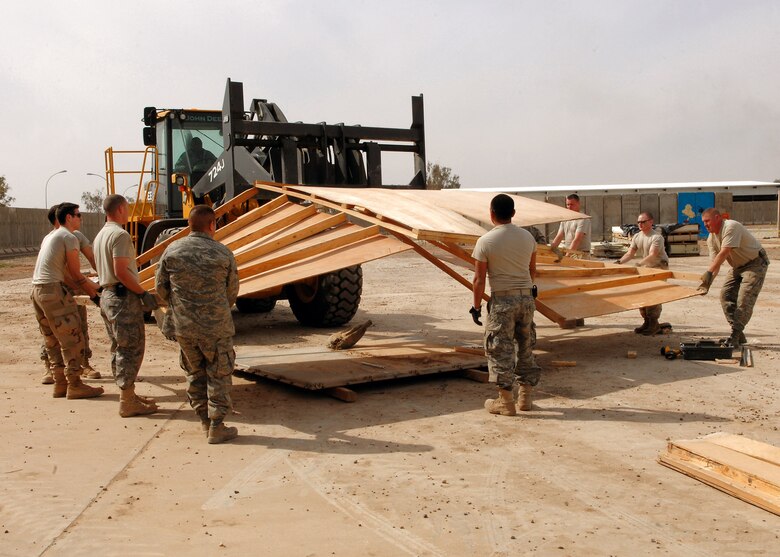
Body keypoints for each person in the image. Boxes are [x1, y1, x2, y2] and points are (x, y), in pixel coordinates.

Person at [155, 205, 240, 443]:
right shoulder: (223, 253)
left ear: (189, 225)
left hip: (184, 327)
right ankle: (217, 425)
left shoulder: (172, 250)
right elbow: (232, 292)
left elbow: (160, 289)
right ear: (212, 225)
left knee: (194, 373)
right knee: (219, 374)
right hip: (216, 328)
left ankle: (204, 421)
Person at [471, 194, 540, 416]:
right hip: (527, 298)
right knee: (526, 345)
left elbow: (479, 280)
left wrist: (476, 306)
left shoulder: (485, 241)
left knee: (500, 349)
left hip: (502, 300)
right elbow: (532, 270)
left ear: (491, 214)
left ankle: (505, 401)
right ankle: (526, 398)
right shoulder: (528, 237)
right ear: (513, 213)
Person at [93, 194, 160, 417]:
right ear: (121, 209)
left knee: (119, 348)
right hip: (122, 298)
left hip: (108, 296)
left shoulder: (101, 234)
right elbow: (121, 271)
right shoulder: (120, 235)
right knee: (130, 348)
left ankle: (128, 395)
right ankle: (127, 401)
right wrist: (142, 293)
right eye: (128, 208)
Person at [31, 203, 103, 400]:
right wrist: (96, 293)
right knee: (72, 337)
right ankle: (75, 384)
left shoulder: (51, 236)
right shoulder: (69, 237)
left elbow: (66, 274)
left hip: (38, 291)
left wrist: (90, 288)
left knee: (52, 339)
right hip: (53, 291)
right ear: (68, 218)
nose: (81, 218)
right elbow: (75, 274)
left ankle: (60, 384)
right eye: (78, 215)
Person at [698, 208, 769, 347]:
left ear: (717, 218)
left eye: (707, 221)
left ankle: (735, 336)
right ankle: (738, 333)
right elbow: (716, 263)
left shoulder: (731, 226)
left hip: (755, 263)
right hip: (737, 267)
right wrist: (708, 282)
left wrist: (708, 272)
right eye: (703, 222)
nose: (705, 225)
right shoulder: (711, 238)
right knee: (725, 295)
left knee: (744, 299)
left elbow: (725, 252)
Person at [617, 211, 669, 335]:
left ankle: (654, 324)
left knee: (653, 295)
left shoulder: (656, 237)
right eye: (638, 222)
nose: (640, 224)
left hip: (658, 268)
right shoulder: (637, 236)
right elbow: (630, 253)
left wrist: (639, 264)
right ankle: (646, 322)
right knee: (642, 295)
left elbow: (653, 254)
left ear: (651, 222)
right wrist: (619, 262)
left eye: (643, 222)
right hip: (646, 268)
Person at [550, 193, 591, 259]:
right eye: (568, 204)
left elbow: (577, 239)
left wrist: (567, 256)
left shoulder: (583, 219)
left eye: (572, 204)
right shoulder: (565, 219)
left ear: (578, 203)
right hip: (569, 252)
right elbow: (559, 236)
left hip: (581, 254)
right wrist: (551, 250)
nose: (569, 207)